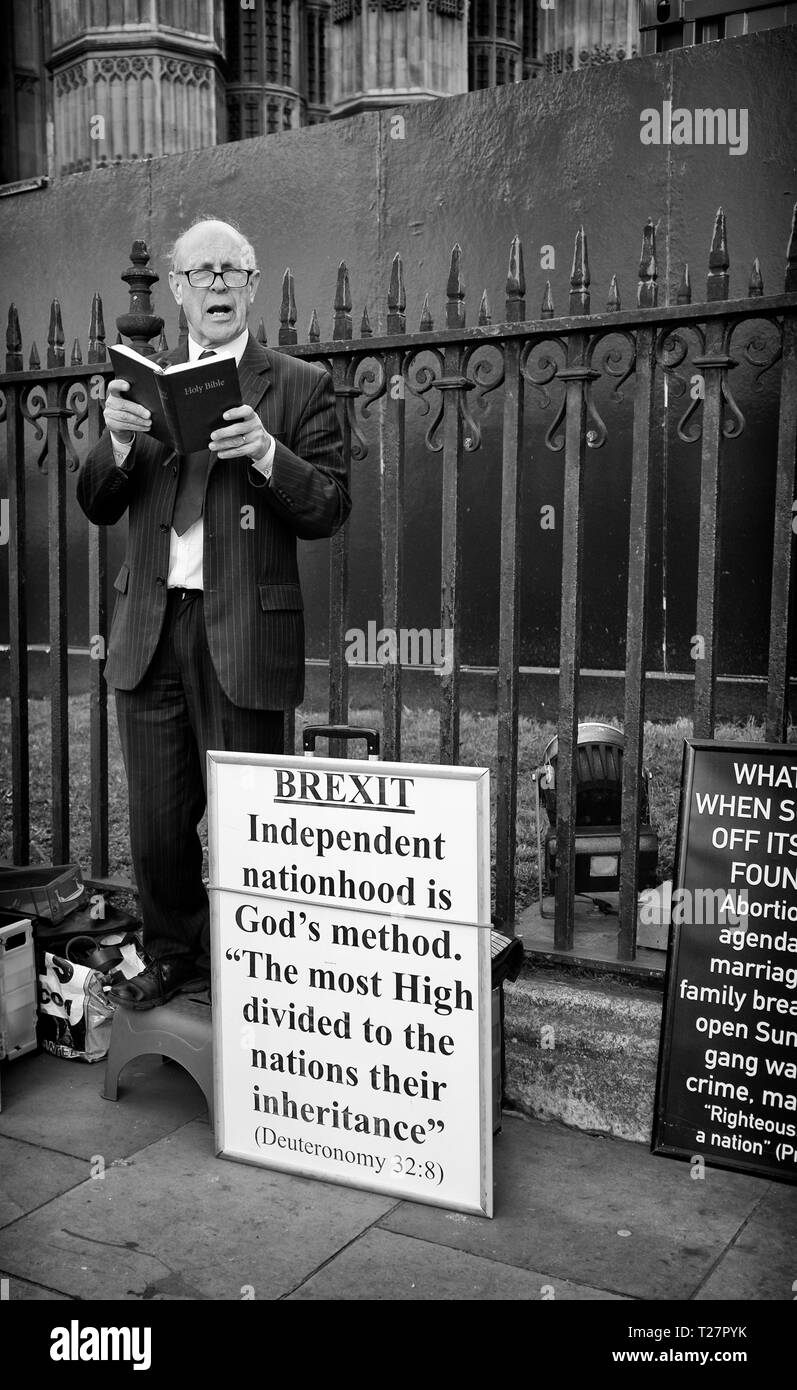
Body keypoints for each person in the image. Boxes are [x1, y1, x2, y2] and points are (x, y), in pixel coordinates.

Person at [77, 217, 350, 1009]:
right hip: (149, 631)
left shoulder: (298, 385)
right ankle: (172, 954)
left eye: (233, 272)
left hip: (243, 634)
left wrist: (265, 452)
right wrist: (119, 444)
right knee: (159, 828)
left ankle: (252, 973)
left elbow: (329, 507)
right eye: (202, 274)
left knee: (246, 822)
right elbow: (96, 503)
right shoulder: (142, 385)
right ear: (175, 286)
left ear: (253, 286)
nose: (218, 286)